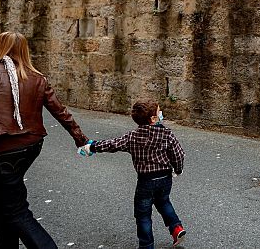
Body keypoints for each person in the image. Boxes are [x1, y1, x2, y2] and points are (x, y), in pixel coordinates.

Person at [0, 31, 91, 249]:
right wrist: (81, 140)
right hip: (32, 146)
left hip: (3, 151)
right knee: (4, 198)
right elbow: (61, 112)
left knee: (15, 209)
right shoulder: (38, 77)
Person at [79, 100, 186, 248]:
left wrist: (92, 147)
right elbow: (178, 154)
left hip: (145, 182)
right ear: (154, 119)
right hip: (164, 178)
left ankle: (147, 245)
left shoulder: (132, 137)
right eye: (159, 112)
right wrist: (178, 169)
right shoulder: (167, 134)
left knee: (143, 215)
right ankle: (176, 228)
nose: (161, 114)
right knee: (164, 201)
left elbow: (112, 144)